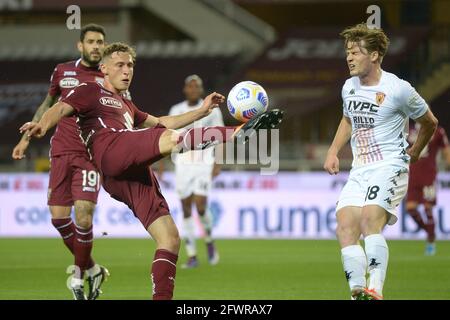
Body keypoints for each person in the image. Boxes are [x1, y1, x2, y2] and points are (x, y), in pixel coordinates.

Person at [20, 42, 283, 300]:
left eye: (131, 65)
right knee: (170, 139)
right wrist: (42, 124)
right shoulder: (89, 90)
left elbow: (163, 122)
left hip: (122, 174)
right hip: (110, 149)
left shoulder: (127, 105)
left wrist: (202, 110)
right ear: (104, 68)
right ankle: (236, 133)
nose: (127, 71)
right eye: (120, 65)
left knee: (170, 238)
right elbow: (59, 107)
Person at [323, 23, 438, 300]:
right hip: (360, 168)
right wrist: (333, 150)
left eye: (355, 52)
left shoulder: (398, 89)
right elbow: (347, 119)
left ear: (374, 55)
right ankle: (357, 292)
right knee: (345, 224)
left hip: (390, 164)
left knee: (368, 219)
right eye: (347, 52)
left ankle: (375, 290)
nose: (349, 57)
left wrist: (416, 151)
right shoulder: (348, 87)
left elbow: (429, 122)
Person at [11, 24, 109, 300]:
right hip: (61, 152)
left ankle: (77, 278)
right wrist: (27, 138)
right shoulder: (62, 71)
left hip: (90, 154)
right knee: (58, 218)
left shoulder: (109, 75)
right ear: (80, 45)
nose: (96, 46)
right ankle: (92, 269)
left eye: (100, 42)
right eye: (90, 41)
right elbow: (48, 103)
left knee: (84, 212)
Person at [165, 74, 223, 268]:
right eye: (190, 86)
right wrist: (161, 164)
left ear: (201, 90)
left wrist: (218, 163)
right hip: (182, 163)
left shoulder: (212, 110)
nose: (193, 89)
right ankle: (192, 255)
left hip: (204, 162)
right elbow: (167, 137)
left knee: (200, 206)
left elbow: (221, 136)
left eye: (196, 86)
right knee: (186, 208)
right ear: (185, 90)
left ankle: (209, 240)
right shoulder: (177, 110)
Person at [406, 123, 450, 255]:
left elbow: (446, 149)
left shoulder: (437, 131)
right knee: (410, 208)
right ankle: (430, 233)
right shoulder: (411, 130)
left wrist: (448, 163)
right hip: (413, 175)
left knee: (427, 208)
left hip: (429, 175)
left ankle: (430, 243)